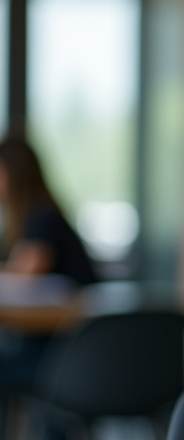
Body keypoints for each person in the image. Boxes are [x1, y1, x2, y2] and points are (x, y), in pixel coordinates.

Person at [0, 136, 98, 393]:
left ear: (14, 173)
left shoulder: (42, 217)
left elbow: (29, 270)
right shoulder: (32, 218)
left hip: (68, 353)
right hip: (73, 349)